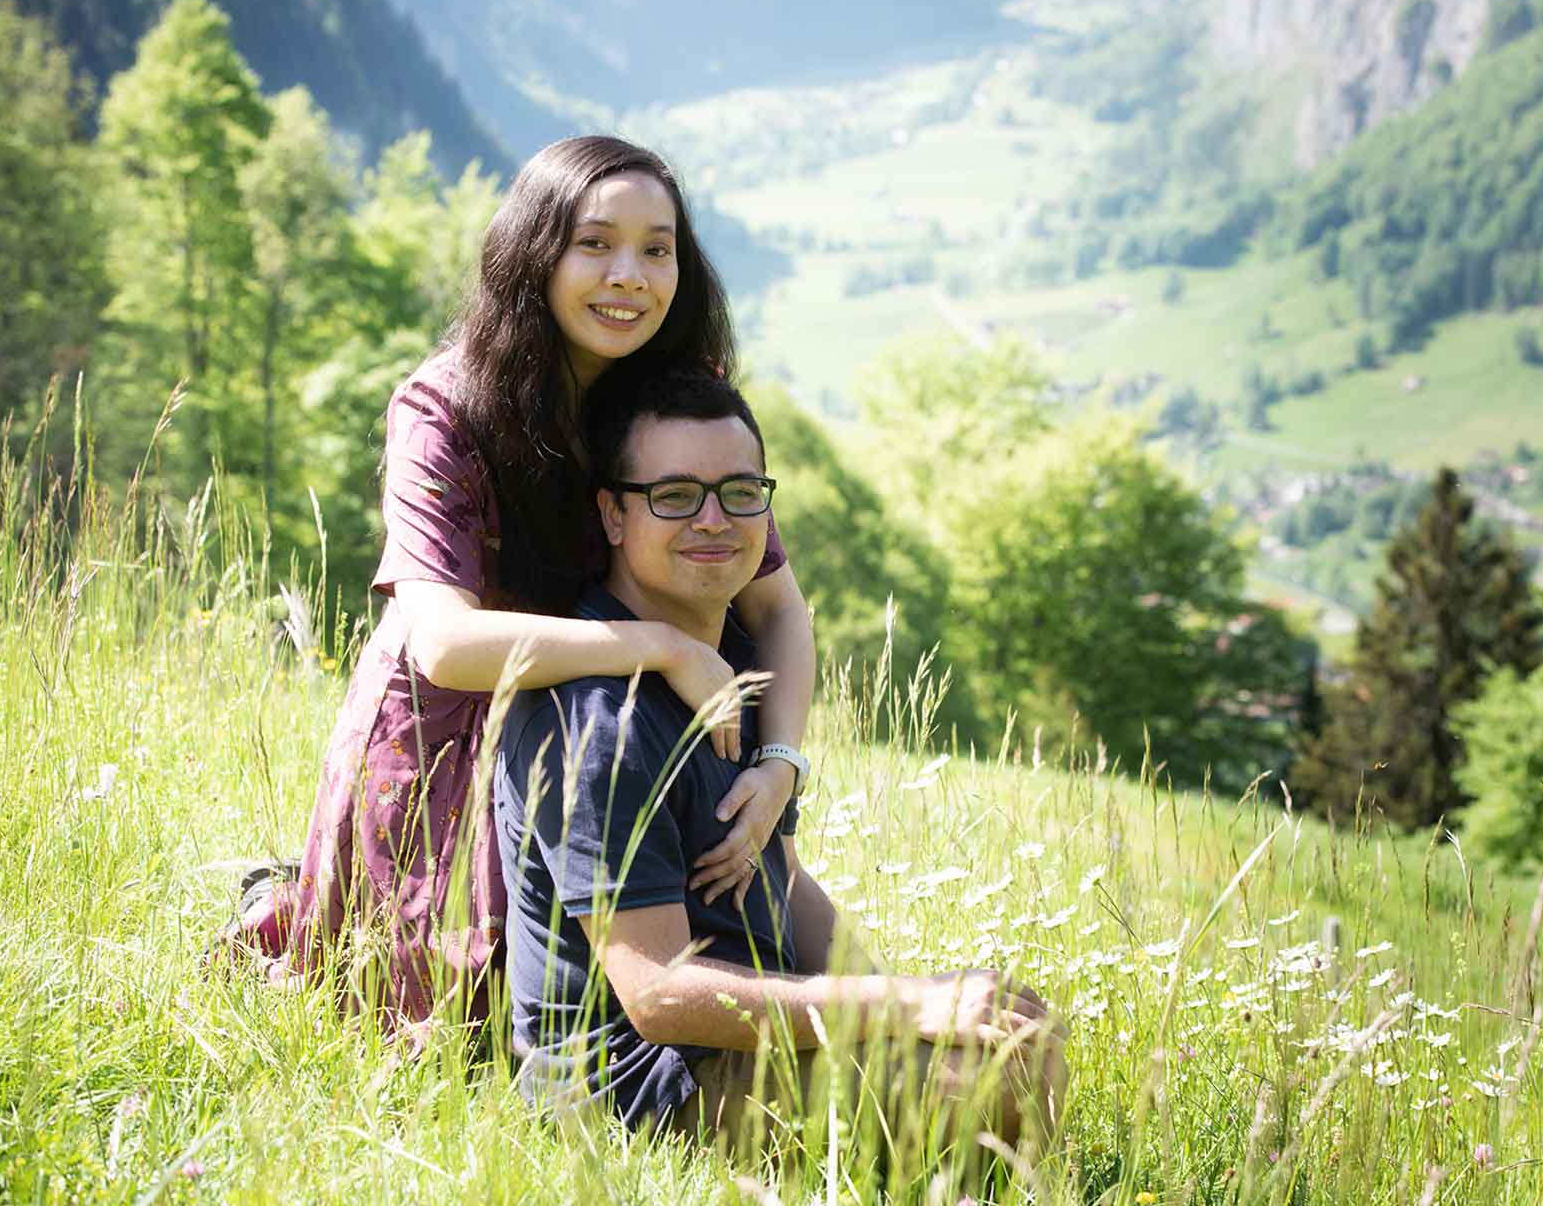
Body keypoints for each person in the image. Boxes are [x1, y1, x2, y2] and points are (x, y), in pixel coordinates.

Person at [227, 137, 815, 1032]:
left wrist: (780, 765)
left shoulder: (684, 396)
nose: (630, 276)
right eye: (595, 243)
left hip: (621, 736)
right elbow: (444, 644)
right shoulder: (446, 407)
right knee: (435, 1024)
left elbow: (777, 605)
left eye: (658, 250)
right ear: (534, 251)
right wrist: (663, 647)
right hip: (453, 732)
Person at [494, 370, 1064, 1156]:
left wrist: (927, 1001)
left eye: (740, 492)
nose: (714, 520)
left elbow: (781, 877)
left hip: (745, 1038)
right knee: (981, 1083)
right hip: (641, 1092)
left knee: (1016, 1025)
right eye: (675, 496)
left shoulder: (727, 667)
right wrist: (900, 1008)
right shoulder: (597, 720)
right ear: (614, 514)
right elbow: (657, 993)